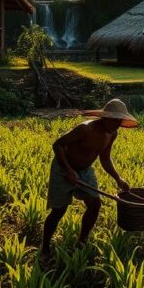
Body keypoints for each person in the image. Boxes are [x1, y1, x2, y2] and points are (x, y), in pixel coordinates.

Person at [41, 99, 137, 259]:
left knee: (95, 204)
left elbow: (105, 158)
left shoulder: (112, 133)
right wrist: (69, 171)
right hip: (62, 169)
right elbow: (57, 145)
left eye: (120, 121)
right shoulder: (84, 129)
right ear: (105, 117)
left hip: (85, 170)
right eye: (115, 120)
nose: (117, 124)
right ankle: (44, 247)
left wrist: (118, 178)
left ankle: (82, 241)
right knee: (59, 211)